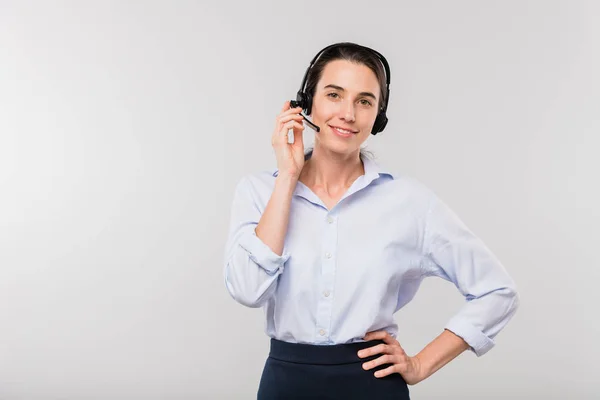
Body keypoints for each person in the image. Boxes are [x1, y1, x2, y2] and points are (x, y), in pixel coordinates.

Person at [223, 42, 519, 399]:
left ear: (378, 116)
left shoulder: (409, 202)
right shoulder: (259, 191)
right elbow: (247, 290)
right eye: (334, 95)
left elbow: (497, 291)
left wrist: (421, 364)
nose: (348, 113)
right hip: (286, 384)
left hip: (372, 386)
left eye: (364, 101)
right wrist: (287, 177)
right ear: (306, 104)